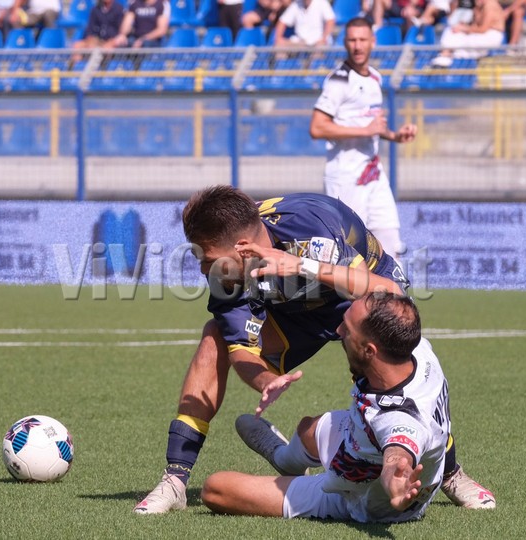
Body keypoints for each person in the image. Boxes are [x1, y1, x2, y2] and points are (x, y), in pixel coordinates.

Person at [133, 186, 493, 514]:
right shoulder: (225, 276)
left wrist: (301, 265)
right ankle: (175, 479)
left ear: (242, 247)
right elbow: (241, 348)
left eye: (207, 257)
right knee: (215, 336)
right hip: (294, 314)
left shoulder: (310, 228)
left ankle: (449, 473)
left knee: (393, 361)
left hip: (358, 294)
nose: (201, 268)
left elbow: (383, 291)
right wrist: (265, 381)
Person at [202, 292, 495, 521]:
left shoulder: (397, 419)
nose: (339, 329)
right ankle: (283, 458)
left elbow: (398, 452)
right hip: (359, 442)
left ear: (370, 350)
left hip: (356, 497)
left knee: (216, 489)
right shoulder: (415, 347)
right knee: (308, 429)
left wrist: (396, 481)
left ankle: (300, 481)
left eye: (348, 328)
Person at [310, 17, 417, 260]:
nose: (357, 46)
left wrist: (395, 135)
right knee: (351, 253)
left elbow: (371, 123)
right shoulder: (338, 81)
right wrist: (366, 131)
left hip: (373, 174)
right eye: (352, 40)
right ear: (345, 43)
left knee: (390, 245)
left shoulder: (375, 78)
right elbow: (317, 127)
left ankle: (393, 287)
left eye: (362, 40)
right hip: (345, 177)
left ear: (372, 42)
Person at [430, 0, 504, 67]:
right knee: (451, 30)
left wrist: (464, 28)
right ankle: (444, 57)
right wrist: (463, 27)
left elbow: (483, 29)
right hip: (479, 35)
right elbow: (474, 26)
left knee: (458, 38)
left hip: (490, 37)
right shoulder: (479, 6)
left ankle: (446, 56)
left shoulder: (490, 5)